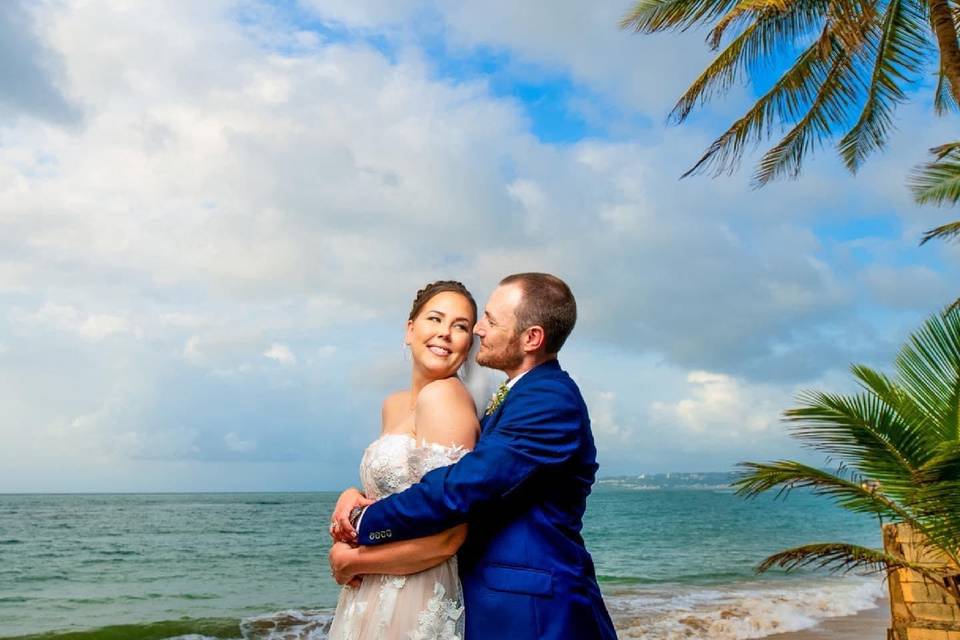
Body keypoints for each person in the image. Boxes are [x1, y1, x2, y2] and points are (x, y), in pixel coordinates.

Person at [331, 273, 617, 640]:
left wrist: (362, 522)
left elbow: (461, 488)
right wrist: (355, 495)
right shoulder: (517, 395)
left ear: (531, 338)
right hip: (489, 600)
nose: (480, 329)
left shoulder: (549, 400)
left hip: (532, 614)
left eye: (489, 321)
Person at [326, 280, 481, 640]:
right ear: (410, 329)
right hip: (370, 593)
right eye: (436, 319)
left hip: (415, 592)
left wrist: (354, 562)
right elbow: (393, 494)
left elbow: (449, 536)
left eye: (460, 327)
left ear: (468, 345)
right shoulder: (393, 404)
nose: (445, 333)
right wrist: (352, 495)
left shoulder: (446, 399)